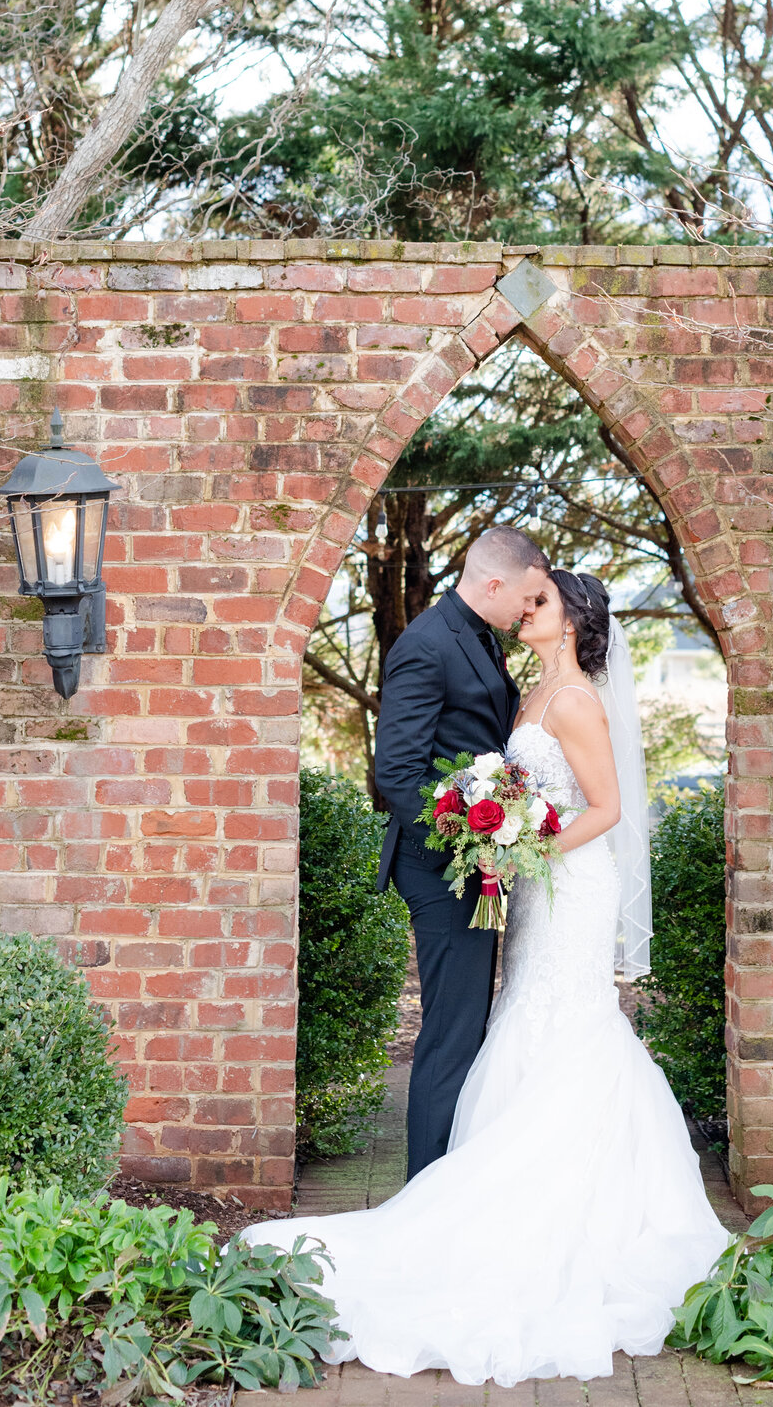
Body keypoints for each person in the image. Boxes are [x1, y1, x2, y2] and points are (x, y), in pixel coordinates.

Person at [247, 568, 729, 1386]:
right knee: (516, 1019)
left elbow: (606, 808)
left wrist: (526, 849)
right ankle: (474, 1198)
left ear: (572, 621)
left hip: (568, 886)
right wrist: (505, 838)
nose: (525, 613)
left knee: (568, 1021)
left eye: (540, 605)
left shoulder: (574, 700)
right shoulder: (528, 694)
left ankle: (569, 1210)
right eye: (526, 600)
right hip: (531, 884)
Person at [372, 526, 551, 1179]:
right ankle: (424, 1194)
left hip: (472, 867)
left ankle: (447, 1184)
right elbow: (396, 775)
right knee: (449, 1040)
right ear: (494, 581)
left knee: (465, 1032)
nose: (528, 612)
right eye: (527, 598)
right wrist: (470, 839)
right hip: (439, 869)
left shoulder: (476, 638)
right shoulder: (426, 644)